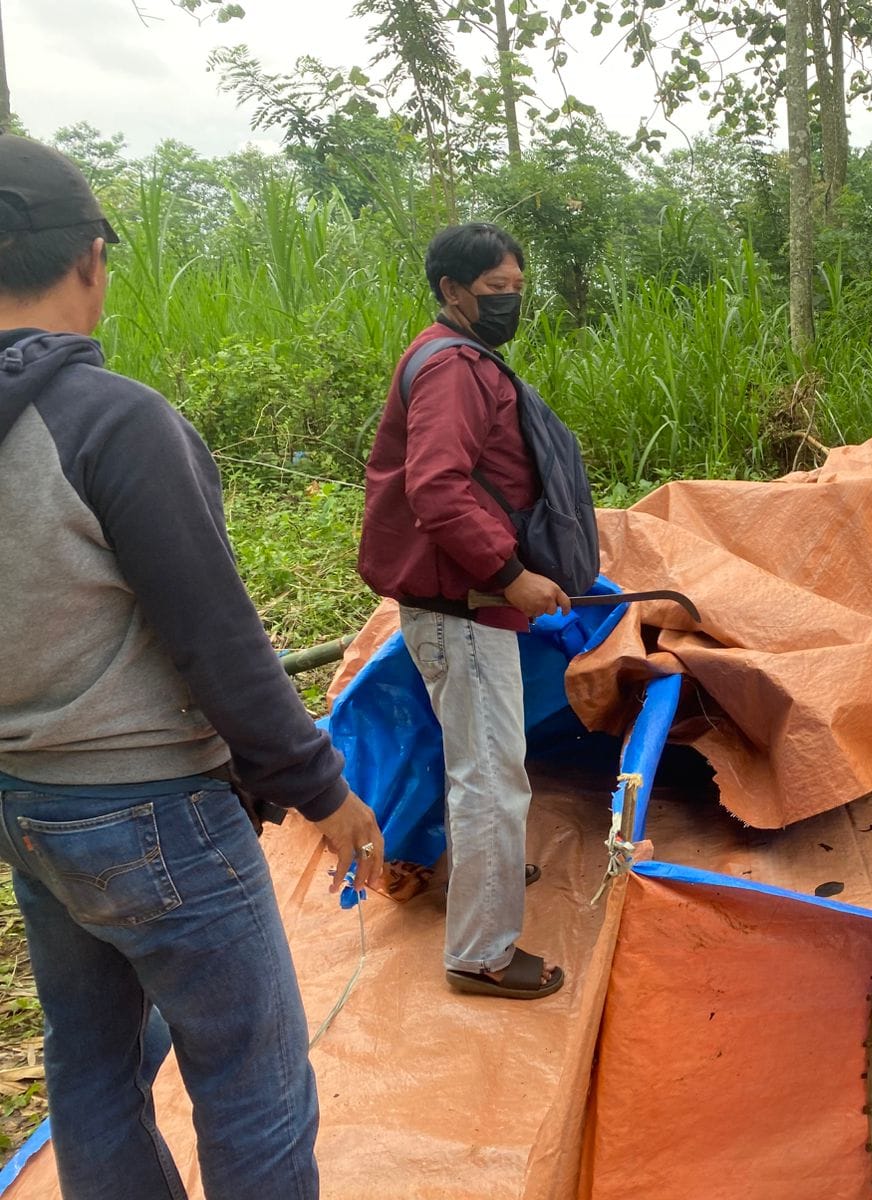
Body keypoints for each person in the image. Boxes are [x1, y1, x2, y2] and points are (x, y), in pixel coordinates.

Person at [0, 135, 385, 1200]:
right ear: (90, 258)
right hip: (154, 812)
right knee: (250, 1083)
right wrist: (322, 790)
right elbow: (217, 639)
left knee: (92, 1067)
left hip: (25, 805)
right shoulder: (110, 422)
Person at [359, 223, 568, 1001]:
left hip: (462, 601)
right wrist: (511, 574)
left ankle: (489, 869)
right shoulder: (452, 369)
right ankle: (481, 953)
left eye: (516, 288)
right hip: (466, 605)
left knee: (479, 759)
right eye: (494, 291)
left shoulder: (450, 355)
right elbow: (438, 487)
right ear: (451, 291)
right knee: (491, 777)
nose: (509, 301)